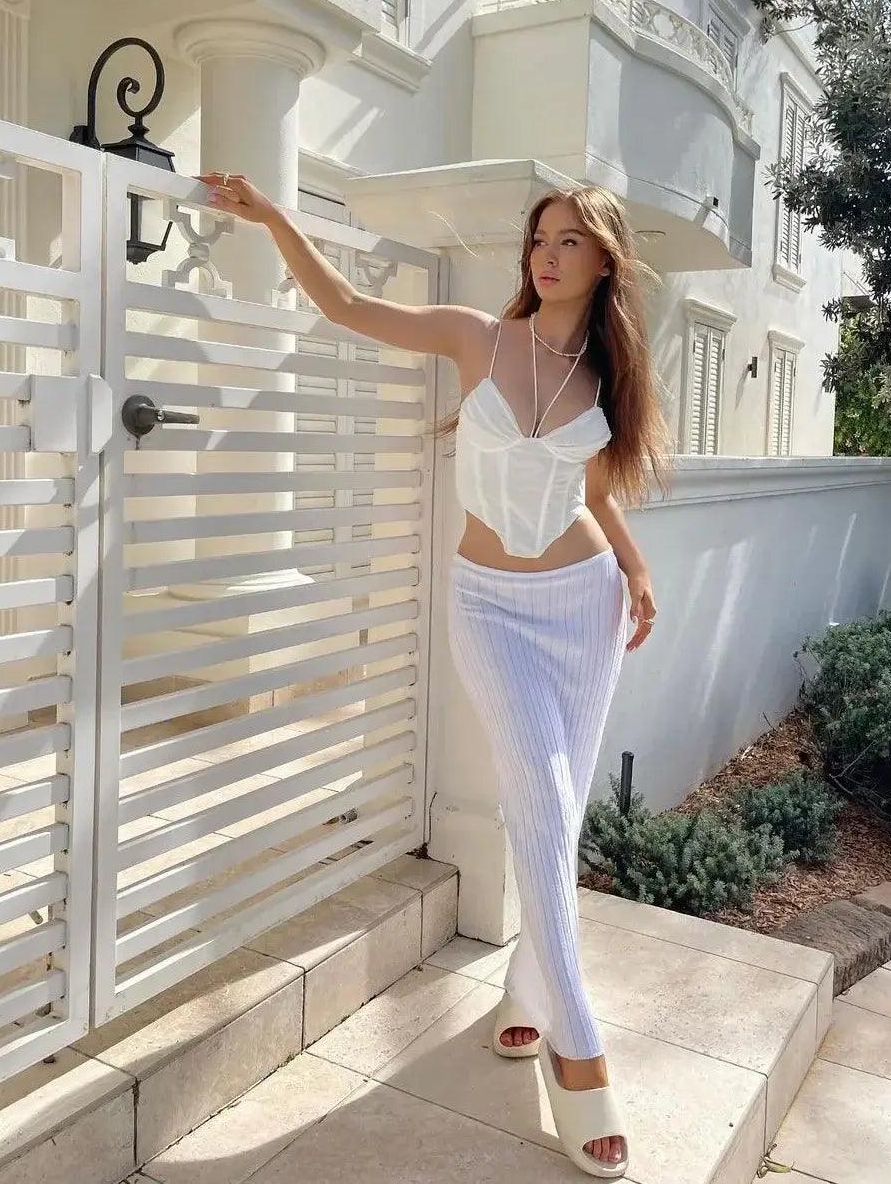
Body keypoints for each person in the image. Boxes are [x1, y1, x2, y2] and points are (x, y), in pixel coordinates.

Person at [198, 170, 675, 1178]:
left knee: (560, 816)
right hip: (493, 608)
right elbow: (349, 305)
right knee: (540, 804)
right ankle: (578, 1051)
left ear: (604, 262)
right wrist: (277, 216)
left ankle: (526, 997)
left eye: (569, 242)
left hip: (583, 606)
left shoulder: (606, 373)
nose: (546, 256)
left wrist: (633, 569)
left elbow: (587, 486)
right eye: (539, 239)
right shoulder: (478, 338)